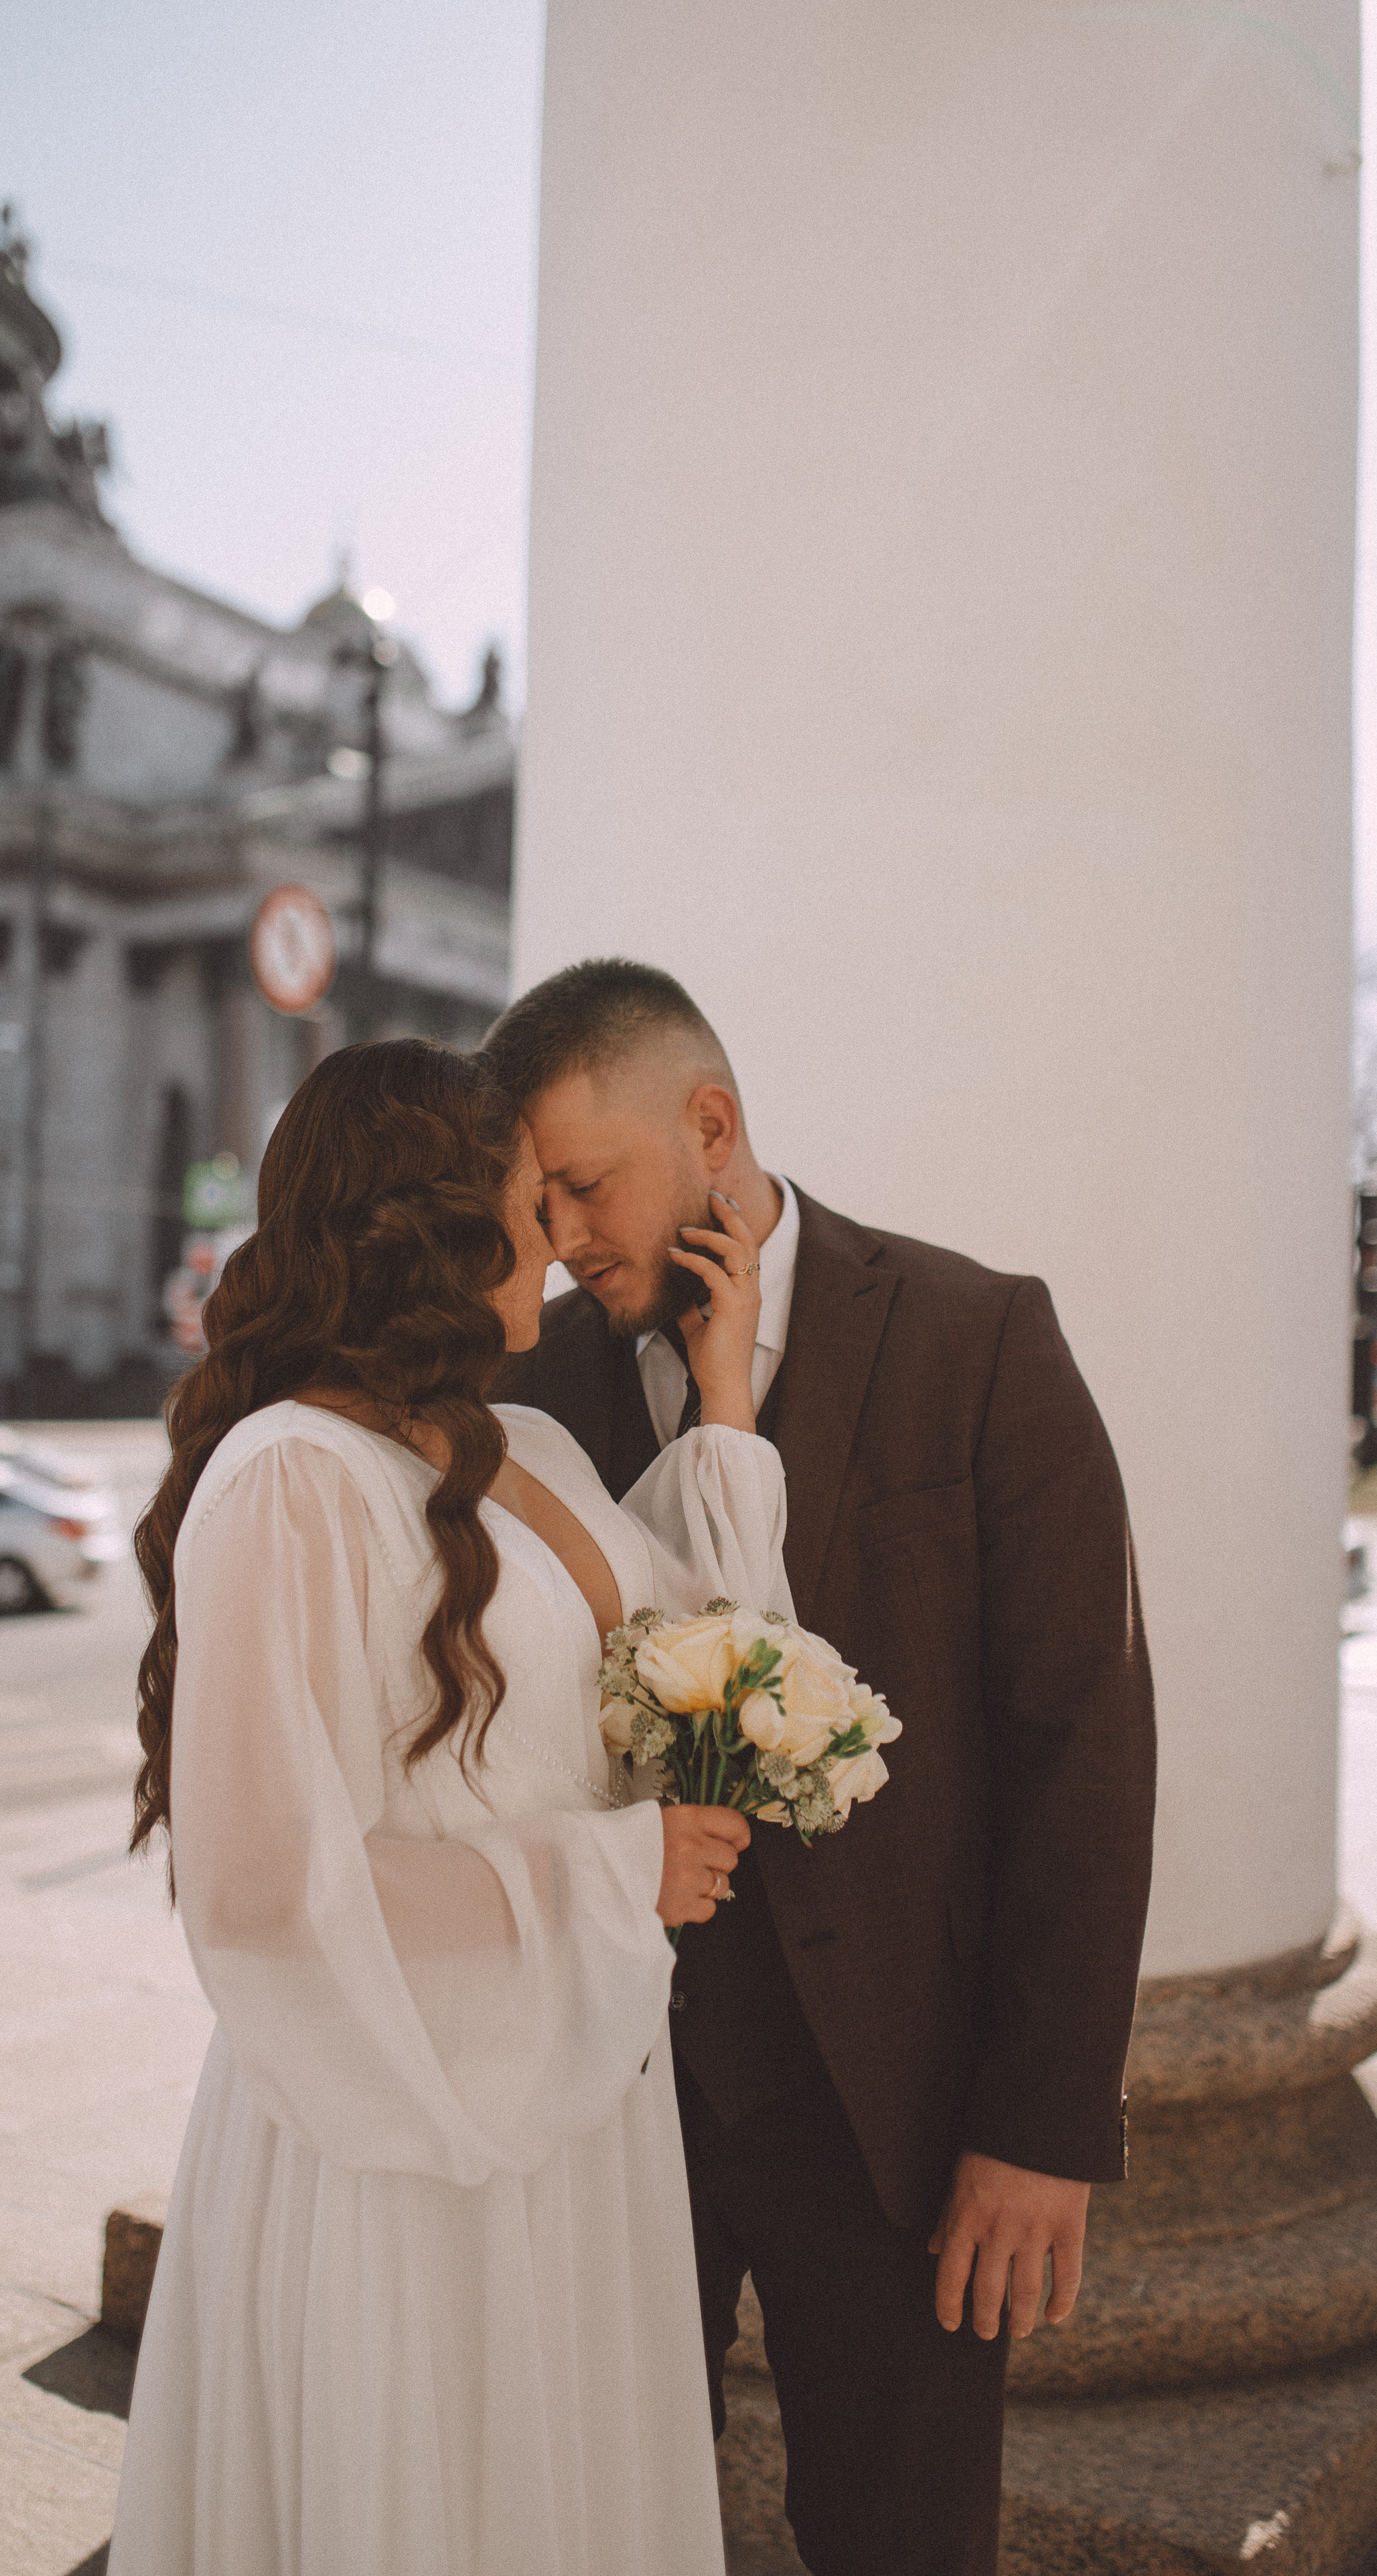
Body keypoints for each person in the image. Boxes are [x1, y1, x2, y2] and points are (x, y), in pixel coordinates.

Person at [486, 960, 1157, 2576]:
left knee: (901, 2544)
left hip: (901, 2126)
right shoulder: (528, 1386)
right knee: (600, 2528)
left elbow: (1083, 1742)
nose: (562, 1237)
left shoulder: (979, 1336)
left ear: (709, 1126)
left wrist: (1041, 2121)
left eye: (583, 1185)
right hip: (610, 2107)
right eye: (539, 1202)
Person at [108, 1037, 792, 2576]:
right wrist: (611, 1873)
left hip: (578, 2095)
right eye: (525, 1198)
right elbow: (265, 1889)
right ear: (430, 1223)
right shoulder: (289, 1477)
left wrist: (728, 1388)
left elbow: (714, 1667)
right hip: (393, 2106)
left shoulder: (526, 1446)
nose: (557, 1238)